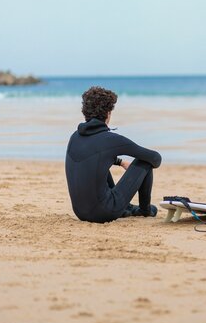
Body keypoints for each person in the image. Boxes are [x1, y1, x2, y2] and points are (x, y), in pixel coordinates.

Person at [65, 86, 162, 223]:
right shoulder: (110, 139)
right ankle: (144, 210)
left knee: (97, 163)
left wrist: (120, 162)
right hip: (104, 212)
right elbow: (155, 158)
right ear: (108, 113)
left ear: (85, 112)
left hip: (80, 212)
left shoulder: (74, 137)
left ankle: (126, 209)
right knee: (144, 161)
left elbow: (96, 155)